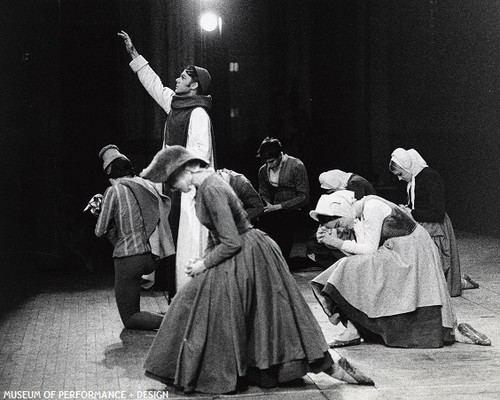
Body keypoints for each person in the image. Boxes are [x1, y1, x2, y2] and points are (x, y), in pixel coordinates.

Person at [138, 145, 374, 394]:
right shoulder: (208, 185)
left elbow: (231, 241)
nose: (173, 188)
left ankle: (323, 367)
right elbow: (217, 234)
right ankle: (265, 368)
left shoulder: (212, 188)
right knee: (242, 312)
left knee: (225, 310)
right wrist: (206, 259)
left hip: (246, 253)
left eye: (172, 180)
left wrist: (204, 264)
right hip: (248, 251)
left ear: (185, 169)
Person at [309, 191, 491, 348]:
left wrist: (337, 242)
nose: (342, 228)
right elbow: (359, 254)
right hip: (394, 251)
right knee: (347, 269)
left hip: (411, 252)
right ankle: (353, 326)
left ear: (342, 211)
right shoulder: (358, 215)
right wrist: (333, 243)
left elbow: (369, 250)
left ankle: (353, 327)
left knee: (348, 269)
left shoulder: (371, 207)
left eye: (339, 224)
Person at [118, 30, 216, 295]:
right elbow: (155, 85)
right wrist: (135, 55)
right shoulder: (177, 105)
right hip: (175, 187)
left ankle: (190, 295)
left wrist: (176, 175)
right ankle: (176, 293)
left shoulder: (197, 113)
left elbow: (200, 153)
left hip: (191, 190)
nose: (177, 79)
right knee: (171, 237)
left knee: (189, 241)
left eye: (183, 77)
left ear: (194, 85)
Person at [90, 145, 175, 330]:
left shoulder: (114, 191)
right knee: (136, 310)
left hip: (128, 258)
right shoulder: (146, 185)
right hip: (150, 256)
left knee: (131, 318)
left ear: (110, 171)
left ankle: (179, 323)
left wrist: (98, 211)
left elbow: (100, 231)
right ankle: (179, 318)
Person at [389, 148, 478, 297]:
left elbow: (437, 213)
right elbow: (418, 204)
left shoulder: (430, 177)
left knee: (438, 267)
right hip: (423, 226)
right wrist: (408, 209)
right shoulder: (413, 180)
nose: (399, 178)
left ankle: (462, 282)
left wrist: (412, 212)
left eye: (400, 174)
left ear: (407, 167)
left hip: (436, 228)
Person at [306, 169, 376, 268]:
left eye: (333, 190)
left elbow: (368, 250)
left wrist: (336, 242)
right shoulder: (349, 184)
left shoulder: (355, 185)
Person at [256, 137, 309, 260]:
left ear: (280, 155)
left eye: (272, 161)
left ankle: (282, 259)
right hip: (274, 208)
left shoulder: (296, 165)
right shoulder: (263, 170)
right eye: (266, 162)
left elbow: (304, 197)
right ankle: (270, 259)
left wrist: (278, 207)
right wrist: (267, 205)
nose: (269, 165)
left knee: (283, 223)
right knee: (262, 222)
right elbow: (263, 192)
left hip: (295, 208)